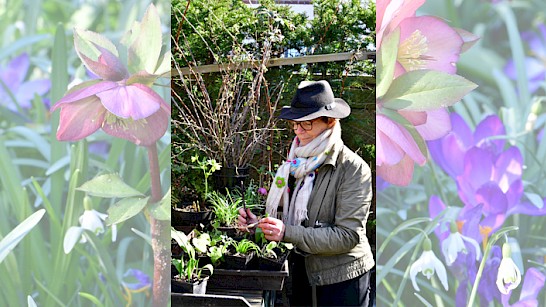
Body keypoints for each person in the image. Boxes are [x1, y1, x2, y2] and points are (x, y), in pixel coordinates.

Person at [238, 80, 374, 307]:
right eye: (295, 124)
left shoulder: (353, 168)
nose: (298, 131)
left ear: (330, 122)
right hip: (302, 272)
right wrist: (258, 225)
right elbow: (289, 221)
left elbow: (348, 236)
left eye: (307, 124)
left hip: (342, 281)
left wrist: (287, 233)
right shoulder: (295, 163)